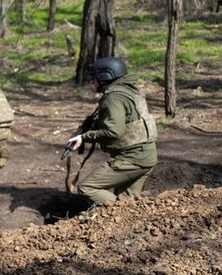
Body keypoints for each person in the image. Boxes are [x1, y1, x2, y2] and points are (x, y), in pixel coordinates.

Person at [64, 56, 157, 207]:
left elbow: (114, 132)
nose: (92, 81)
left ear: (105, 76)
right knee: (127, 201)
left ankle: (119, 214)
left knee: (87, 188)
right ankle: (126, 219)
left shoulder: (113, 98)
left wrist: (84, 137)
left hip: (133, 158)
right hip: (146, 155)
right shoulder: (128, 90)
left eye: (94, 77)